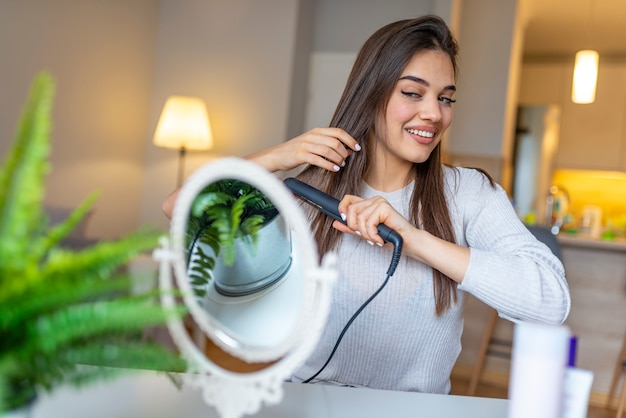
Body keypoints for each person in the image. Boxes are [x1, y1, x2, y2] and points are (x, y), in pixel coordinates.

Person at [164, 15, 570, 395]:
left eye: (446, 99)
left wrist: (414, 239)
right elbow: (179, 207)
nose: (433, 114)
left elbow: (549, 301)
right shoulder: (305, 194)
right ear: (370, 94)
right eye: (412, 93)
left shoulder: (467, 194)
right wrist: (276, 157)